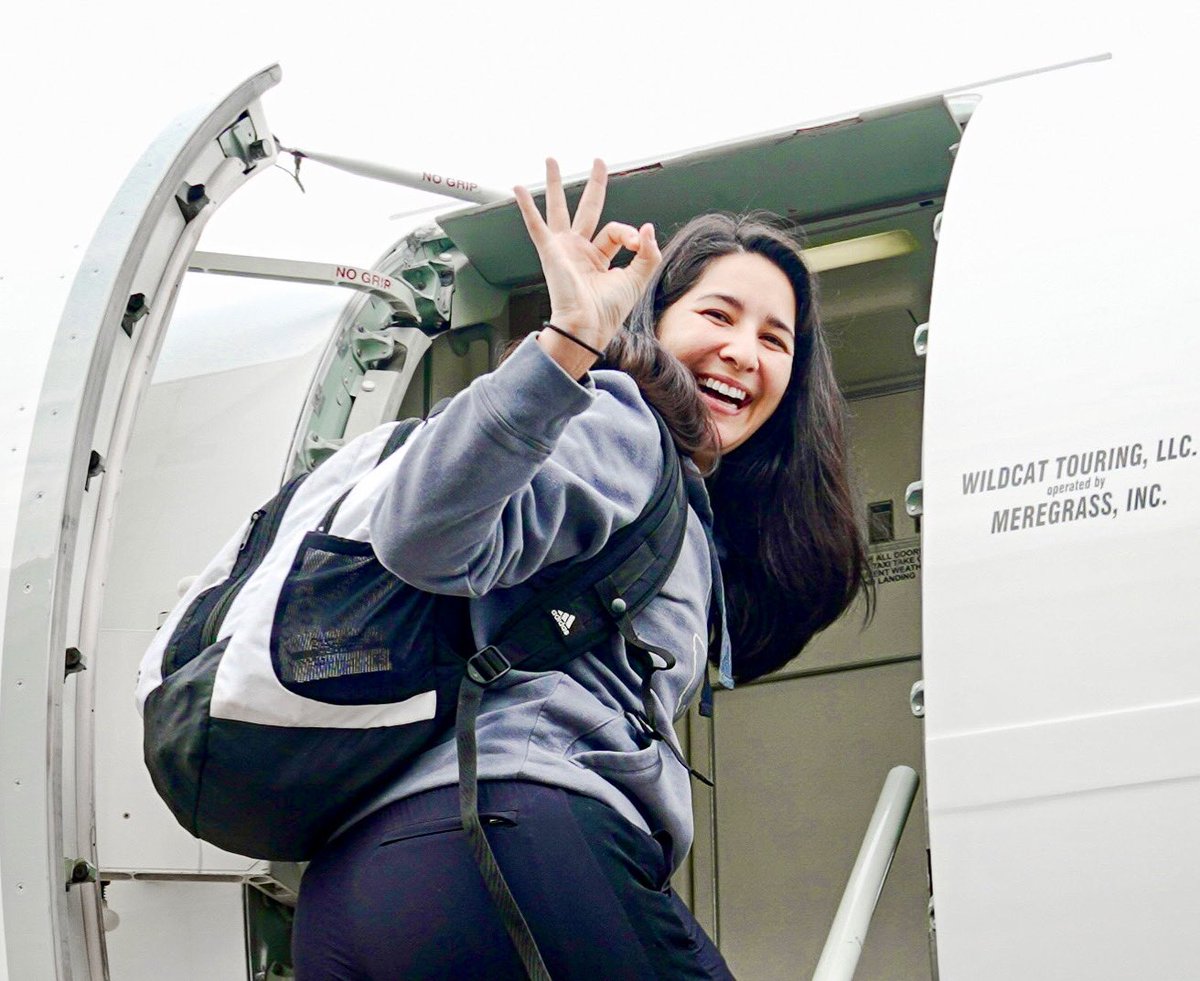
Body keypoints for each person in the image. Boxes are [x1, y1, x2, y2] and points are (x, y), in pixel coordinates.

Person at [291, 159, 869, 979]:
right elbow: (420, 535)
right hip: (513, 843)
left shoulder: (659, 486)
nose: (744, 351)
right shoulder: (625, 423)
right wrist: (567, 341)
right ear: (655, 322)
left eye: (774, 340)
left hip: (356, 889)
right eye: (718, 313)